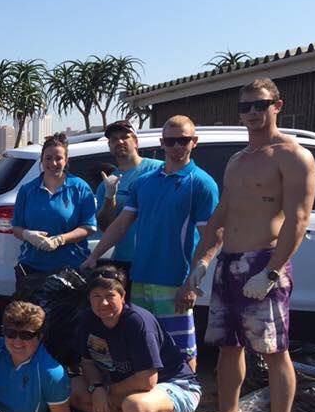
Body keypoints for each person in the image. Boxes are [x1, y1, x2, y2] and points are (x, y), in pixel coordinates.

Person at [183, 78, 315, 412]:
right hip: (229, 263)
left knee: (275, 352)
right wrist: (203, 261)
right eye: (246, 107)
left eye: (260, 105)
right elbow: (222, 214)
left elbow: (299, 219)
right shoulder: (238, 160)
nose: (252, 113)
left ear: (278, 105)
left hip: (263, 262)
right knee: (228, 347)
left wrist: (272, 273)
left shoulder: (293, 156)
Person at [83, 117, 219, 370]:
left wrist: (192, 282)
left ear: (194, 142)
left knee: (181, 347)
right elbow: (120, 224)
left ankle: (184, 395)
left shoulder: (201, 183)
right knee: (144, 343)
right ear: (162, 142)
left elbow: (213, 237)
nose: (177, 146)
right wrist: (95, 255)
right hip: (140, 278)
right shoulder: (144, 183)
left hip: (174, 282)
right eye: (170, 140)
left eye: (183, 140)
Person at [69, 268, 201, 412]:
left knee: (135, 407)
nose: (103, 303)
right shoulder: (89, 319)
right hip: (127, 386)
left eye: (110, 296)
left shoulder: (137, 322)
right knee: (73, 390)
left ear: (122, 296)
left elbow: (147, 380)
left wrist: (107, 391)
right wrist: (96, 388)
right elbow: (87, 362)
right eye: (96, 296)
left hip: (177, 386)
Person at [12, 132, 97, 290]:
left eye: (58, 158)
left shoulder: (79, 188)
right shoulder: (27, 190)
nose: (53, 163)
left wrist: (60, 239)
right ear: (42, 160)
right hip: (32, 268)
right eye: (48, 158)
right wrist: (27, 235)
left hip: (71, 269)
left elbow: (89, 226)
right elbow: (16, 227)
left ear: (66, 160)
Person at [95, 120, 165, 275]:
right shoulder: (106, 183)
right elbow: (105, 227)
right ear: (109, 146)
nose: (119, 141)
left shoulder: (159, 170)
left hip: (158, 260)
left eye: (124, 137)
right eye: (113, 139)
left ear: (136, 142)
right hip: (124, 261)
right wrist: (109, 197)